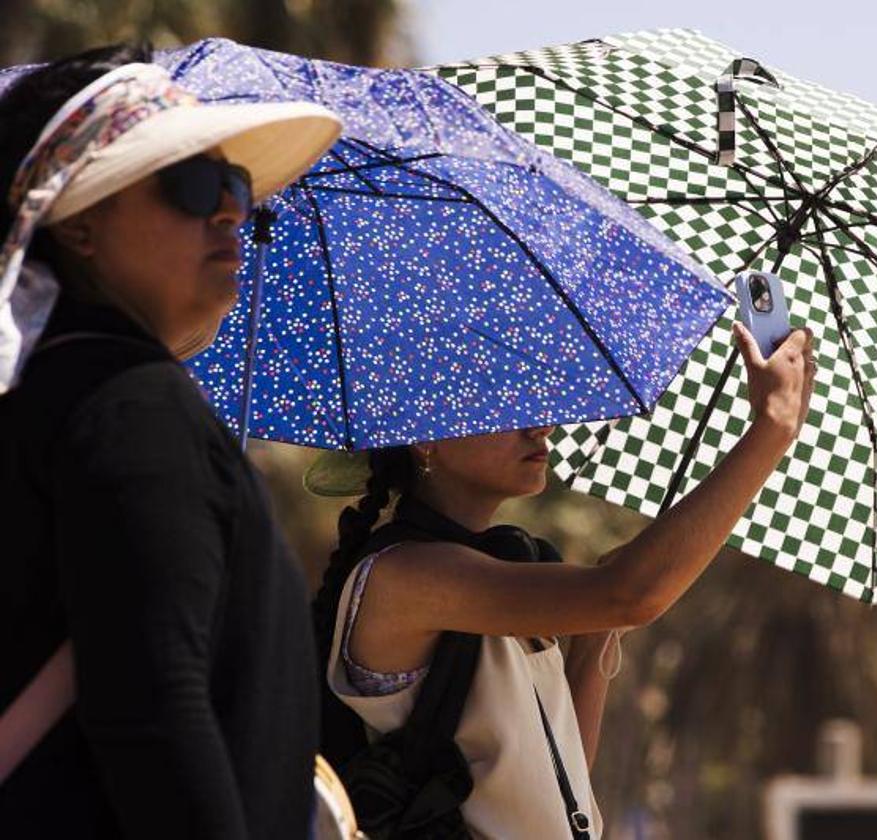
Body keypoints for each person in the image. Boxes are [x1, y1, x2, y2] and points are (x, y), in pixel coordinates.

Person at [0, 44, 341, 837]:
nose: (230, 212)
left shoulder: (49, 396)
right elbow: (152, 706)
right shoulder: (130, 406)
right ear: (81, 226)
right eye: (192, 184)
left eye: (238, 189)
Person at [310, 319, 816, 838]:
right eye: (508, 404)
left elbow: (562, 773)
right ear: (426, 439)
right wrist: (771, 429)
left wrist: (598, 626)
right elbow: (631, 595)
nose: (540, 426)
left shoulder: (508, 565)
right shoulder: (406, 574)